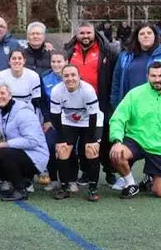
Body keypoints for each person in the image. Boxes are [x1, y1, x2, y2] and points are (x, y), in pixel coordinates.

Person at [109, 61, 161, 199]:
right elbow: (117, 118)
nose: (157, 79)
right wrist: (117, 140)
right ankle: (131, 184)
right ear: (147, 76)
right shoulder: (135, 94)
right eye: (153, 76)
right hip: (137, 140)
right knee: (116, 154)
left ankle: (149, 178)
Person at [63, 21, 118, 185]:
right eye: (82, 33)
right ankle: (86, 172)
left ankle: (109, 171)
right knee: (83, 140)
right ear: (76, 34)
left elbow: (114, 75)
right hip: (77, 103)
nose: (85, 36)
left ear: (94, 33)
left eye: (88, 33)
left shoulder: (107, 51)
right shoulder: (70, 51)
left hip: (100, 101)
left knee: (104, 139)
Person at [50, 64, 104, 201]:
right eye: (66, 76)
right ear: (62, 78)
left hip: (90, 121)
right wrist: (61, 138)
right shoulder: (57, 91)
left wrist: (91, 139)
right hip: (69, 121)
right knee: (62, 149)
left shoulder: (87, 90)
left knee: (91, 150)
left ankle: (93, 188)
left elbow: (93, 116)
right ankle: (64, 187)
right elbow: (55, 116)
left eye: (73, 75)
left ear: (79, 76)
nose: (70, 78)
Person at [0, 80, 48, 202]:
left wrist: (8, 144)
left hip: (35, 156)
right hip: (17, 154)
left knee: (2, 152)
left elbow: (33, 140)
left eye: (2, 93)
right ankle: (24, 180)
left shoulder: (23, 112)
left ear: (10, 95)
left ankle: (20, 189)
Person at [111, 23, 161, 109]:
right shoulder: (125, 57)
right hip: (130, 107)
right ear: (137, 37)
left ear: (155, 36)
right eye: (142, 34)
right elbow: (116, 82)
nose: (146, 36)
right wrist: (115, 105)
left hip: (158, 108)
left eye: (149, 33)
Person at [38, 52, 68, 191]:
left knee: (69, 150)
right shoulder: (45, 78)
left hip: (70, 122)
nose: (56, 64)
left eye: (59, 61)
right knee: (49, 146)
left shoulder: (72, 77)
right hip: (51, 122)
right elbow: (43, 103)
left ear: (66, 62)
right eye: (53, 61)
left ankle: (69, 180)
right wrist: (48, 120)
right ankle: (53, 179)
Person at [0, 49, 43, 114]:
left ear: (24, 61)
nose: (17, 61)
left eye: (20, 58)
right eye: (14, 58)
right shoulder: (0, 76)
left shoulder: (33, 76)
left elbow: (36, 101)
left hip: (27, 111)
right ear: (9, 61)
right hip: (6, 111)